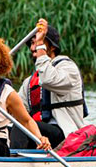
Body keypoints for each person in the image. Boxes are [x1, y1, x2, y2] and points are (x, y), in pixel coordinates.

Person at [14, 18, 87, 150]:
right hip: (40, 135)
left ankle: (13, 161)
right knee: (16, 123)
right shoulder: (29, 81)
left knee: (21, 126)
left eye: (36, 42)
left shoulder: (68, 68)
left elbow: (49, 79)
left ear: (52, 47)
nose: (32, 48)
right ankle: (11, 156)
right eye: (32, 43)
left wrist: (40, 43)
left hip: (66, 136)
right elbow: (17, 110)